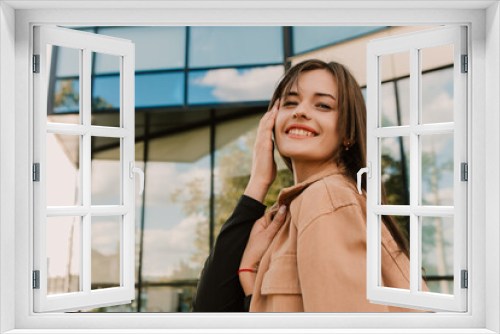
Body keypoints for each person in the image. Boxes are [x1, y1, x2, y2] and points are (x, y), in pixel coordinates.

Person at [193, 58, 427, 312]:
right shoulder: (289, 213)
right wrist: (258, 184)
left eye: (324, 105)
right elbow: (209, 311)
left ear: (348, 133)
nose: (300, 111)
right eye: (290, 102)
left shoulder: (327, 198)